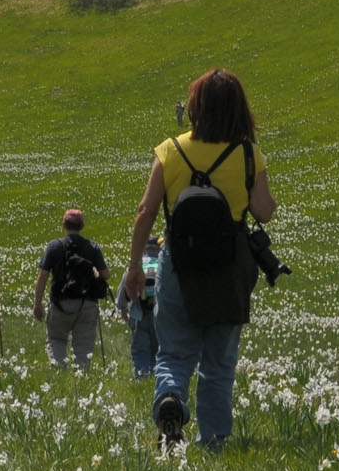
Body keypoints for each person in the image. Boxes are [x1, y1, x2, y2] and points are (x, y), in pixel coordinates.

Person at [127, 68, 278, 450]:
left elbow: (145, 212)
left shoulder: (171, 150)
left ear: (195, 107)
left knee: (174, 351)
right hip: (230, 270)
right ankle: (212, 440)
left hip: (179, 264)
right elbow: (264, 211)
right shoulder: (248, 154)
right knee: (219, 363)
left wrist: (133, 267)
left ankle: (170, 399)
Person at [31, 208, 110, 370]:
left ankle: (59, 372)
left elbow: (42, 277)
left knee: (56, 339)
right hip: (87, 303)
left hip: (61, 302)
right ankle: (81, 377)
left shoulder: (54, 246)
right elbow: (106, 274)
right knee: (83, 344)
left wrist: (37, 303)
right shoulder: (92, 247)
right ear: (82, 226)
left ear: (63, 225)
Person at [115, 234, 163, 378]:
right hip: (160, 316)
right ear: (159, 249)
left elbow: (123, 289)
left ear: (144, 249)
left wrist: (123, 308)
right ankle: (157, 380)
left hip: (138, 315)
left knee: (141, 351)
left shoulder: (136, 268)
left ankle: (142, 379)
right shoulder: (163, 267)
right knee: (158, 350)